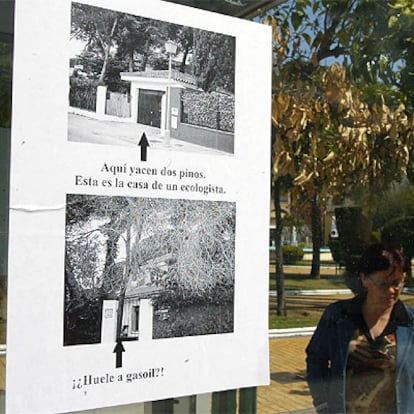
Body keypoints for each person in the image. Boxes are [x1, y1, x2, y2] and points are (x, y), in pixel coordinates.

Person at [306, 243, 414, 414]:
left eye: (397, 282)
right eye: (382, 283)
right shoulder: (338, 316)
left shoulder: (409, 322)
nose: (391, 290)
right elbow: (315, 360)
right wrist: (323, 405)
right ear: (364, 279)